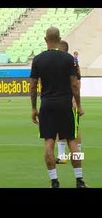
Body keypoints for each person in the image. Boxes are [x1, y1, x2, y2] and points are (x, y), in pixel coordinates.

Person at [29, 26, 87, 188]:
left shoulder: (38, 59)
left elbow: (33, 86)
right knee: (73, 142)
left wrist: (34, 108)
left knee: (49, 142)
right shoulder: (68, 59)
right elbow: (74, 84)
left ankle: (54, 181)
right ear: (59, 39)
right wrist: (79, 105)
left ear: (45, 39)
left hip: (47, 105)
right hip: (65, 104)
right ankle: (80, 180)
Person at [55, 41, 82, 164]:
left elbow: (76, 82)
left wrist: (75, 100)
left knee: (74, 131)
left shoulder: (71, 61)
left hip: (67, 100)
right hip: (62, 100)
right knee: (62, 129)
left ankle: (76, 156)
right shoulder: (69, 62)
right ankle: (62, 156)